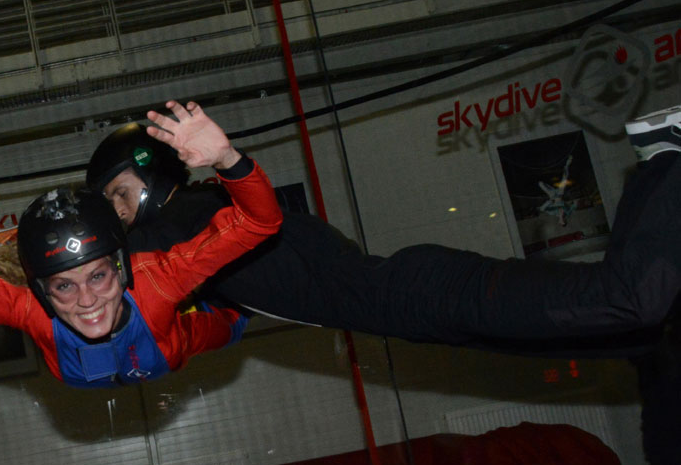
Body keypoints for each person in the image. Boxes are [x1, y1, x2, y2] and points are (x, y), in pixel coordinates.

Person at [85, 104, 681, 355]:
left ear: (151, 173)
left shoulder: (185, 217)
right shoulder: (199, 236)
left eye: (118, 193)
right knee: (630, 326)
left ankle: (665, 158)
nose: (116, 211)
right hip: (408, 304)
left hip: (414, 292)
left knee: (631, 301)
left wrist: (225, 159)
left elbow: (109, 262)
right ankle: (657, 165)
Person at [0, 101, 284, 388]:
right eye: (64, 286)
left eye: (98, 276)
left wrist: (226, 158)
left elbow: (260, 222)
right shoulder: (31, 309)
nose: (87, 302)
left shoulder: (155, 281)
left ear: (121, 268)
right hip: (122, 364)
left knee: (227, 326)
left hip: (172, 345)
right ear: (42, 291)